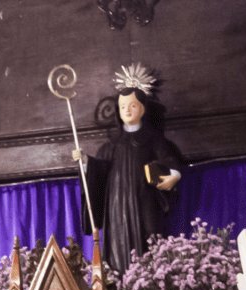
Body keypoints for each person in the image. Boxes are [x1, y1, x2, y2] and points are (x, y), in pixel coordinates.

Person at [73, 63, 182, 274]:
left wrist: (173, 176)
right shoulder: (110, 146)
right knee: (117, 250)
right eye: (123, 107)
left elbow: (170, 161)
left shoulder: (153, 140)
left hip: (144, 203)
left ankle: (150, 283)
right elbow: (98, 174)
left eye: (132, 105)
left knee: (150, 245)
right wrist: (85, 162)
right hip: (117, 209)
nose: (127, 110)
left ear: (142, 108)